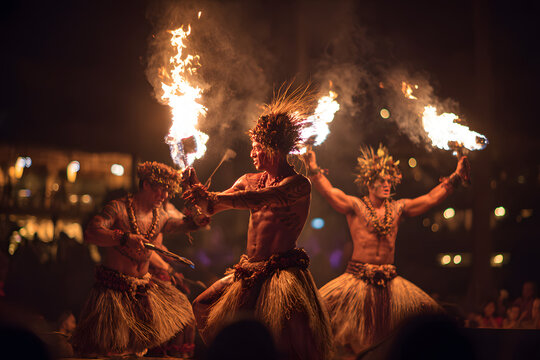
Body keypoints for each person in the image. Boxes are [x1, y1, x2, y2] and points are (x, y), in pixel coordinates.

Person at [185, 87, 332, 359]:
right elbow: (210, 208)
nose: (252, 154)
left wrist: (212, 195)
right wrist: (195, 191)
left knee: (289, 339)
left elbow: (262, 199)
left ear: (273, 149)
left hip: (283, 274)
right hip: (249, 269)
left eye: (256, 148)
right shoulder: (248, 179)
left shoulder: (298, 185)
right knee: (203, 304)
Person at [303, 144, 469, 355]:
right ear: (369, 182)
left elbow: (430, 199)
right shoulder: (355, 206)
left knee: (397, 337)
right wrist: (313, 166)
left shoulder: (398, 208)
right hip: (356, 280)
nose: (387, 184)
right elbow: (328, 192)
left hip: (391, 283)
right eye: (382, 180)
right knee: (330, 326)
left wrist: (456, 175)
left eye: (390, 181)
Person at [71, 161, 208, 357]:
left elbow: (191, 224)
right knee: (108, 351)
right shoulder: (118, 209)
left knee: (139, 350)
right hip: (112, 294)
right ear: (145, 185)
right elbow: (91, 233)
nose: (165, 196)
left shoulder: (160, 216)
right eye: (161, 190)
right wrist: (124, 237)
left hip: (143, 292)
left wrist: (195, 202)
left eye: (168, 191)